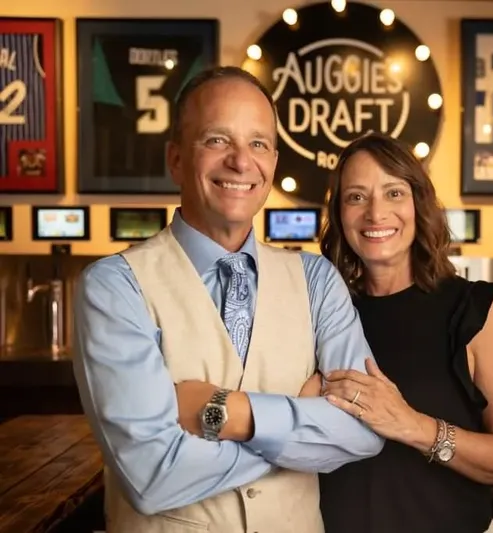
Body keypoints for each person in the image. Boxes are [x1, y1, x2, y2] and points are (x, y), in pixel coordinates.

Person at [71, 66, 384, 533]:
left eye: (258, 143)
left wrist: (222, 413)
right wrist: (302, 434)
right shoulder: (114, 286)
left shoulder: (317, 278)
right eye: (217, 140)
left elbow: (364, 427)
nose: (241, 162)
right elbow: (153, 475)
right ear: (176, 159)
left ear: (274, 163)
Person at [316, 132, 493, 533]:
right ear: (340, 213)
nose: (375, 213)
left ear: (419, 204)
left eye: (394, 193)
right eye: (356, 197)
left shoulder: (472, 310)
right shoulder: (318, 312)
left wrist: (411, 424)